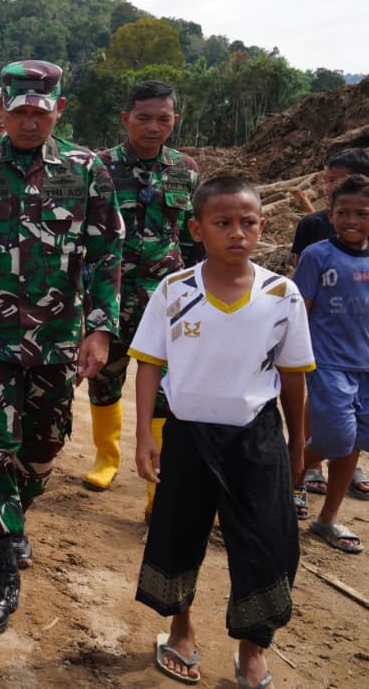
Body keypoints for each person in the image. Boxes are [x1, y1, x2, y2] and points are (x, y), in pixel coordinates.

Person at [0, 60, 123, 634]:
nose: (29, 121)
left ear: (59, 110)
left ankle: (13, 516)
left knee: (42, 449)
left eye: (40, 111)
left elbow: (107, 252)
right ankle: (0, 576)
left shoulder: (85, 169)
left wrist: (100, 327)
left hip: (57, 339)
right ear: (0, 111)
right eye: (18, 112)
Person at [131, 175, 313, 688]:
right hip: (188, 435)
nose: (237, 232)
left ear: (262, 227)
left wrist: (296, 445)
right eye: (223, 222)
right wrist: (144, 435)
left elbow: (294, 378)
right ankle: (181, 630)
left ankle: (252, 650)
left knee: (265, 542)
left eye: (248, 223)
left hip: (257, 438)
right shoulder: (175, 290)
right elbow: (149, 365)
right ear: (197, 229)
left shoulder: (282, 294)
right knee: (179, 532)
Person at [83, 80, 200, 500]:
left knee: (166, 389)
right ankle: (106, 458)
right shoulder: (99, 167)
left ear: (174, 120)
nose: (153, 127)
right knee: (104, 379)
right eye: (144, 118)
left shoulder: (185, 169)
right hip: (110, 295)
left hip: (165, 300)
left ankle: (156, 482)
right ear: (125, 119)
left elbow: (192, 237)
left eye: (163, 119)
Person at [292, 173, 369, 552]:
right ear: (330, 214)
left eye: (362, 213)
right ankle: (288, 472)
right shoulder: (317, 256)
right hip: (328, 363)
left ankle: (328, 519)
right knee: (336, 438)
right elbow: (299, 310)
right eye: (343, 213)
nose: (351, 221)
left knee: (354, 442)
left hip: (366, 367)